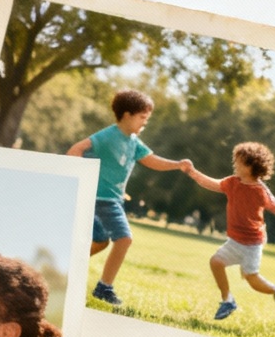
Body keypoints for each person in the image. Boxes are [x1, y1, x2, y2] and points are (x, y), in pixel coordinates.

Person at [65, 89, 194, 307]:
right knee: (123, 239)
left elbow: (151, 160)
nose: (145, 122)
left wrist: (177, 165)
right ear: (127, 115)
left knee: (100, 242)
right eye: (142, 117)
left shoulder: (134, 142)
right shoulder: (107, 136)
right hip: (99, 199)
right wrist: (77, 177)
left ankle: (64, 267)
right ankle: (103, 287)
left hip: (112, 200)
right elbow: (76, 149)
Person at [184, 141, 275, 321]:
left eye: (239, 162)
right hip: (235, 240)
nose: (235, 164)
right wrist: (193, 173)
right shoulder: (232, 183)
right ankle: (227, 300)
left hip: (252, 243)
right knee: (216, 262)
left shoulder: (260, 190)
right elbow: (212, 183)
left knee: (251, 279)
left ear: (251, 165)